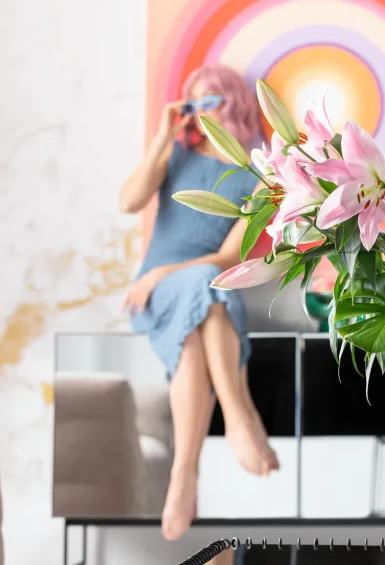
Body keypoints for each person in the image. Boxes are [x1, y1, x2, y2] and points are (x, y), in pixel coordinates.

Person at [119, 65, 279, 542]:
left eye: (212, 100)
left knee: (195, 329)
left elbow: (230, 257)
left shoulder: (258, 175)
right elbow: (128, 202)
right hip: (154, 293)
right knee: (206, 291)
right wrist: (161, 138)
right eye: (195, 102)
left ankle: (183, 475)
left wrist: (170, 271)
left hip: (206, 285)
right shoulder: (176, 156)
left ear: (233, 103)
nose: (202, 111)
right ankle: (238, 415)